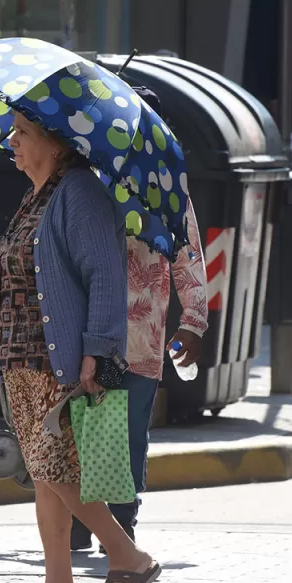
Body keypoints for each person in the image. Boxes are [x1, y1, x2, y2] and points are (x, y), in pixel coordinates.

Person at [0, 112, 160, 583]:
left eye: (23, 133)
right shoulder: (37, 194)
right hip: (21, 357)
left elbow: (105, 277)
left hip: (55, 359)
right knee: (47, 477)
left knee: (53, 469)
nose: (13, 141)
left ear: (54, 143)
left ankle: (127, 557)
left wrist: (97, 347)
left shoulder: (80, 193)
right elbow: (34, 269)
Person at [70, 86, 209, 552]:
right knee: (82, 427)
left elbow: (187, 254)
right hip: (83, 330)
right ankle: (77, 523)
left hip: (141, 336)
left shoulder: (168, 189)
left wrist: (193, 319)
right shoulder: (81, 177)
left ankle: (122, 526)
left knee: (126, 433)